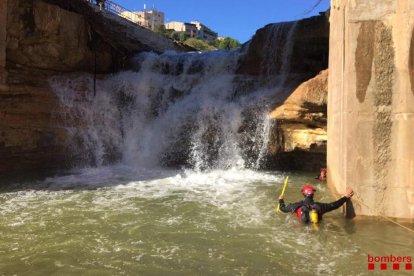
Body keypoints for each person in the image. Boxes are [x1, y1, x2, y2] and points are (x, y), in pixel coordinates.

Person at [278, 184, 354, 224]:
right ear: (313, 194)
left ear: (303, 194)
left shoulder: (295, 206)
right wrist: (345, 197)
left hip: (302, 230)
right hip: (317, 225)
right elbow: (335, 205)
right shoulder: (321, 206)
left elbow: (282, 209)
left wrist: (281, 200)